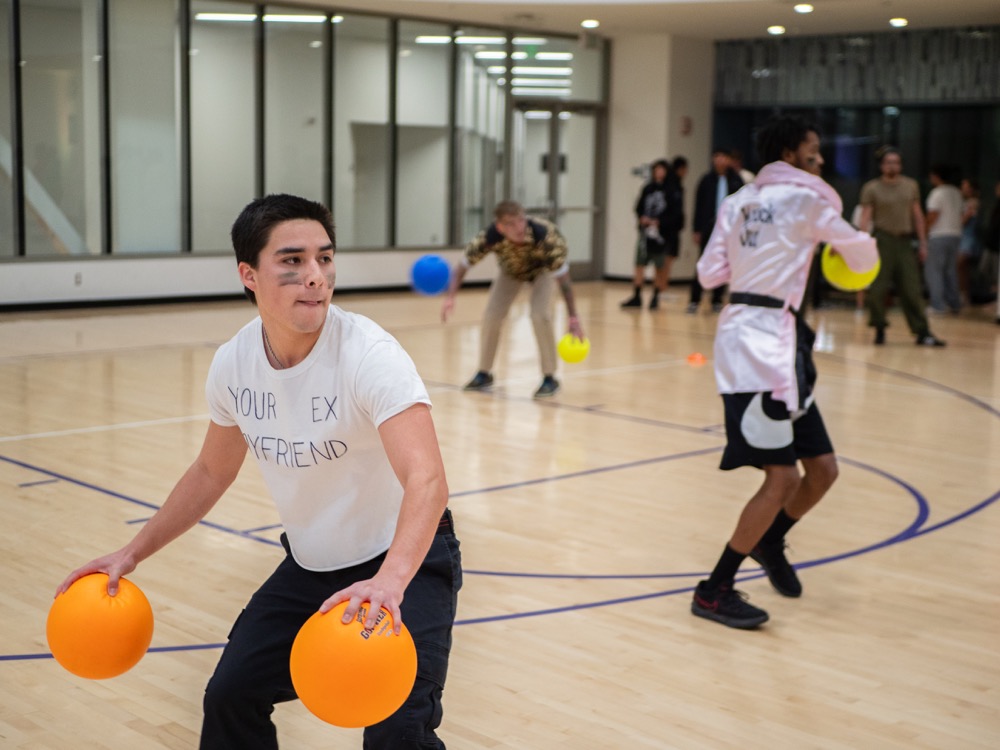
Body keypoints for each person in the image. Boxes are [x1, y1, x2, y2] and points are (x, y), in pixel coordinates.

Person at [57, 194, 462, 750]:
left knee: (398, 728)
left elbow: (428, 480)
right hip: (311, 566)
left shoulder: (370, 354)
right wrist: (132, 553)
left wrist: (390, 583)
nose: (314, 276)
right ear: (249, 274)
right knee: (231, 696)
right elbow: (209, 471)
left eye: (324, 258)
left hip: (406, 565)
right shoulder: (234, 363)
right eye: (292, 261)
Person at [692, 114, 878, 629]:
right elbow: (861, 251)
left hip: (772, 345)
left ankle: (769, 540)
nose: (820, 159)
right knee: (782, 476)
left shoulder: (736, 203)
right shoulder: (807, 200)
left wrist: (756, 254)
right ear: (794, 155)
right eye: (814, 151)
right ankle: (714, 589)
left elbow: (710, 273)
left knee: (823, 470)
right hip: (759, 350)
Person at [442, 200, 585, 398]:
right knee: (492, 316)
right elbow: (463, 265)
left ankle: (550, 377)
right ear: (500, 227)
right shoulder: (489, 237)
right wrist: (451, 297)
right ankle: (484, 373)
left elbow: (564, 279)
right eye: (511, 223)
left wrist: (573, 318)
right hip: (510, 272)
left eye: (520, 220)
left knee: (539, 315)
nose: (518, 227)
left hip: (542, 272)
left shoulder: (545, 235)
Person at [859, 148, 946, 346]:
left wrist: (923, 243)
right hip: (882, 241)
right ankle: (879, 327)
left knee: (911, 288)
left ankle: (922, 331)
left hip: (904, 241)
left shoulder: (910, 186)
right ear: (882, 166)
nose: (893, 166)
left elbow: (917, 215)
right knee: (878, 289)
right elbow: (866, 218)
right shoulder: (871, 188)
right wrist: (862, 244)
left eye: (896, 162)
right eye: (889, 162)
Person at [620, 157, 687, 311]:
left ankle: (656, 295)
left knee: (660, 266)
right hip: (645, 234)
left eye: (661, 169)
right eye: (656, 170)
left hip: (661, 235)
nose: (659, 173)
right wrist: (642, 218)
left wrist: (659, 222)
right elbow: (638, 207)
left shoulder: (672, 190)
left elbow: (676, 214)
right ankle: (637, 294)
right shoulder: (648, 188)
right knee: (639, 264)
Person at [689, 148, 743, 314]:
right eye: (717, 157)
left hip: (729, 229)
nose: (720, 160)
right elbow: (698, 206)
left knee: (725, 263)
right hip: (708, 227)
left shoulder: (736, 180)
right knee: (703, 262)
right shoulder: (706, 180)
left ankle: (717, 299)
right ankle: (694, 300)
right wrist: (696, 229)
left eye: (723, 157)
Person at [923, 164, 964, 314]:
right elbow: (962, 214)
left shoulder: (937, 193)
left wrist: (924, 231)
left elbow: (933, 215)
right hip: (955, 234)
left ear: (936, 176)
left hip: (939, 235)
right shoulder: (957, 193)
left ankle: (937, 305)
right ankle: (954, 303)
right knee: (950, 270)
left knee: (934, 270)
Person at [958, 177, 982, 305]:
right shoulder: (966, 202)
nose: (962, 188)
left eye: (965, 186)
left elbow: (964, 220)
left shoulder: (973, 203)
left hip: (968, 239)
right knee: (962, 269)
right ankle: (963, 295)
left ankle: (964, 295)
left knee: (961, 266)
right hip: (964, 238)